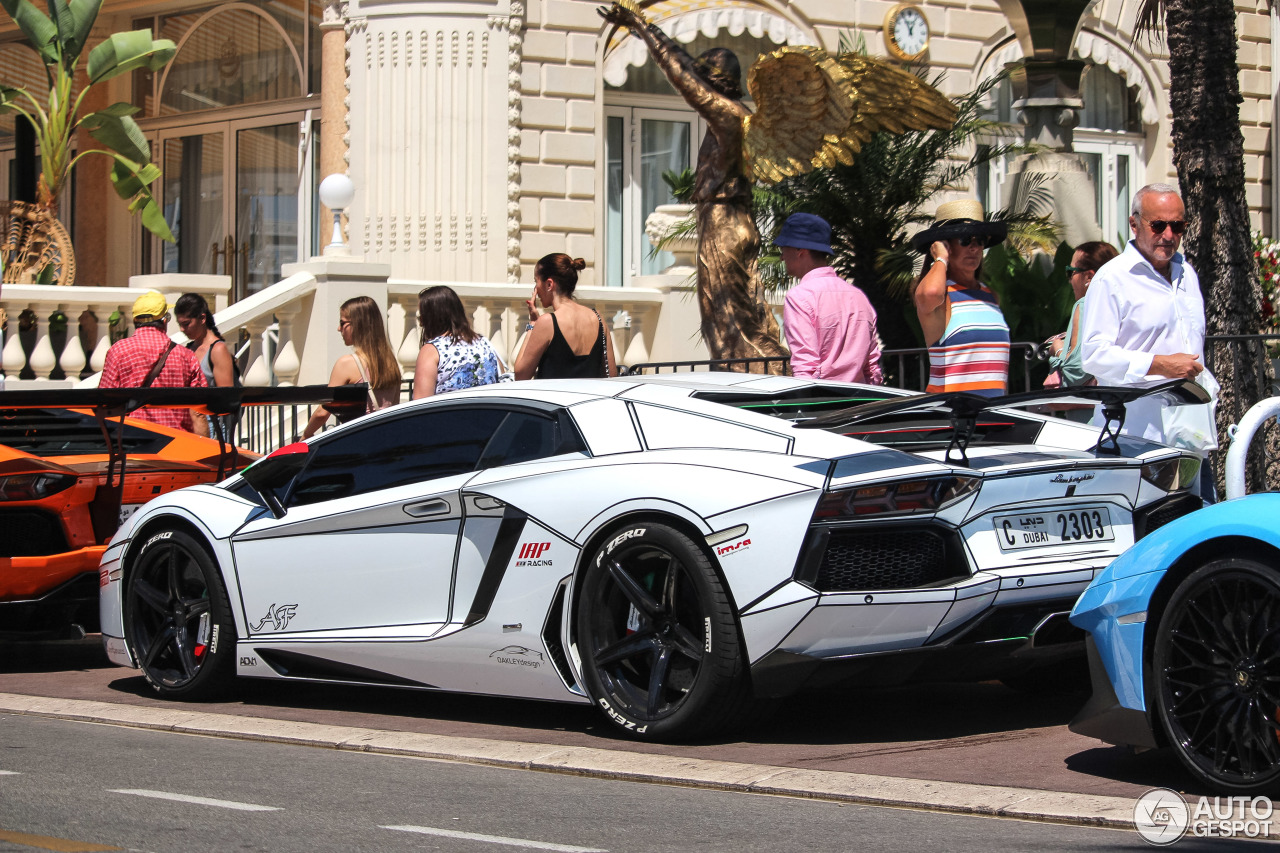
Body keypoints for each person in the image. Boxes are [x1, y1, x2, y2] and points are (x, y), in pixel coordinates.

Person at [1081, 182, 1210, 446]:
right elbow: (1093, 355)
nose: (1169, 234)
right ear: (1134, 223)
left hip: (1190, 434)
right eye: (1159, 225)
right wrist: (1161, 364)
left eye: (1178, 226)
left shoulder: (1187, 274)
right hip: (1135, 436)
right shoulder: (1112, 278)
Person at [910, 199, 1010, 397]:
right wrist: (941, 259)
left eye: (980, 241)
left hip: (993, 416)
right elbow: (929, 293)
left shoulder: (989, 296)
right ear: (946, 245)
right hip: (951, 417)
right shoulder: (942, 296)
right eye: (965, 240)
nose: (974, 248)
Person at [778, 213, 882, 384]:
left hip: (824, 402)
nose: (782, 257)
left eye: (783, 249)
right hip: (863, 400)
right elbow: (872, 368)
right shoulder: (859, 296)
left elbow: (806, 367)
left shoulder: (800, 296)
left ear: (799, 251)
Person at [100, 291, 207, 432]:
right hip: (177, 444)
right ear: (164, 321)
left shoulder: (118, 351)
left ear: (135, 321)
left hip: (132, 441)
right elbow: (198, 413)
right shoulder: (186, 356)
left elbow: (105, 402)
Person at [301, 296, 401, 439]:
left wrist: (306, 435)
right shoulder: (390, 362)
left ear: (357, 325)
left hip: (360, 438)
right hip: (386, 437)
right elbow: (394, 405)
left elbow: (323, 412)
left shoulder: (347, 363)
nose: (338, 328)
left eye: (342, 323)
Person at [515, 253, 617, 380]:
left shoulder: (547, 322)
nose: (535, 289)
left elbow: (520, 375)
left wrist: (533, 325)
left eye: (536, 281)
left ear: (549, 284)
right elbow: (612, 375)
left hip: (554, 399)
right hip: (590, 399)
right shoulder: (597, 318)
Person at [1045, 241, 1120, 388]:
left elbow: (1076, 371)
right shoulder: (1123, 303)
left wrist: (1058, 348)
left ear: (1089, 277)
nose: (1070, 279)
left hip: (1089, 408)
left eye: (1071, 272)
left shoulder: (1086, 304)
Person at [412, 285, 501, 398]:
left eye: (422, 317)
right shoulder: (485, 344)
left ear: (432, 318)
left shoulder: (432, 351)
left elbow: (420, 404)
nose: (421, 323)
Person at [174, 292, 240, 441]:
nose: (182, 329)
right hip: (191, 424)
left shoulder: (217, 349)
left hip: (213, 427)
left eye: (186, 324)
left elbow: (226, 399)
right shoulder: (190, 347)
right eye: (180, 325)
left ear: (202, 318)